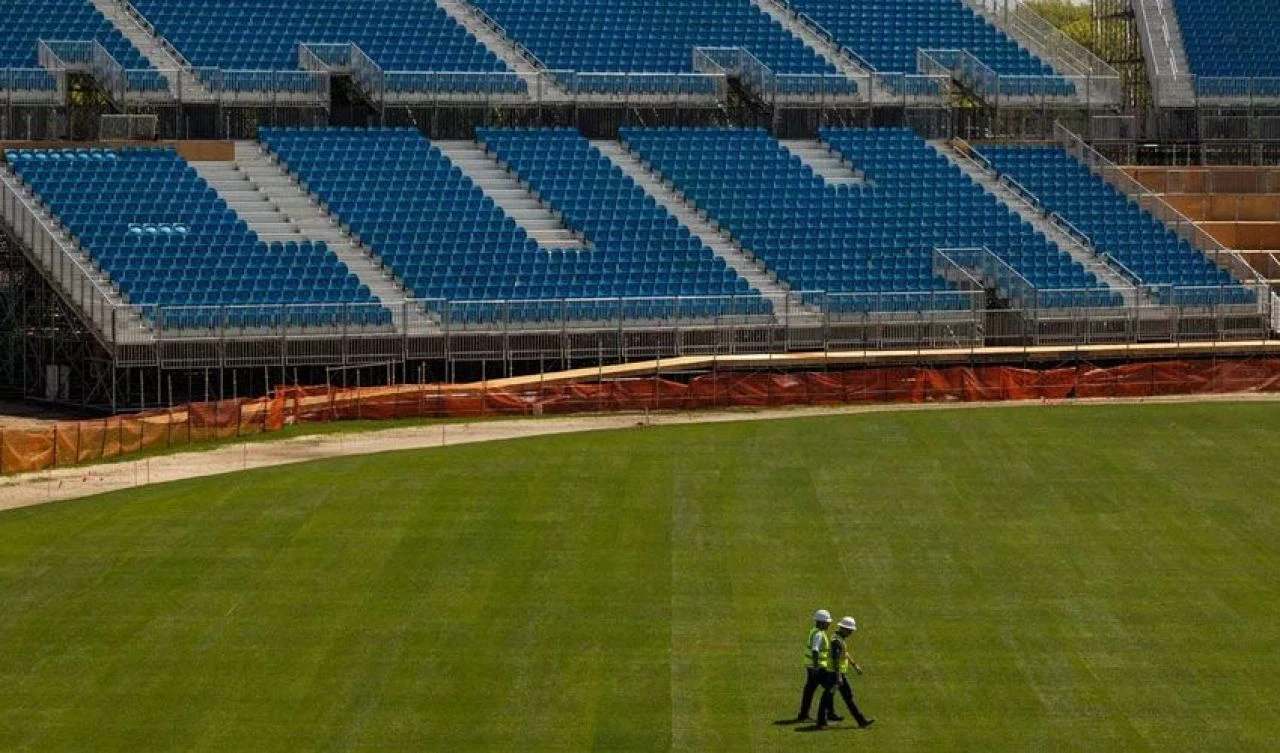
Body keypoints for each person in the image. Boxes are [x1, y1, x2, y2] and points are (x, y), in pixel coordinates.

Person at [818, 615, 875, 729]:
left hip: (836, 674)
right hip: (835, 675)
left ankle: (860, 721)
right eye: (850, 630)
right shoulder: (836, 642)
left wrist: (855, 665)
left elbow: (845, 654)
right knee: (831, 697)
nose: (851, 633)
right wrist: (839, 677)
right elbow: (836, 660)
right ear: (843, 629)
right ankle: (860, 721)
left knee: (831, 697)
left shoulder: (839, 639)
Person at [795, 609, 833, 722]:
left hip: (811, 666)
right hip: (818, 668)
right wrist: (816, 666)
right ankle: (828, 714)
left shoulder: (814, 631)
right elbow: (815, 650)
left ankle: (803, 715)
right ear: (821, 622)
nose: (829, 624)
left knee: (809, 690)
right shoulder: (819, 634)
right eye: (827, 622)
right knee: (830, 688)